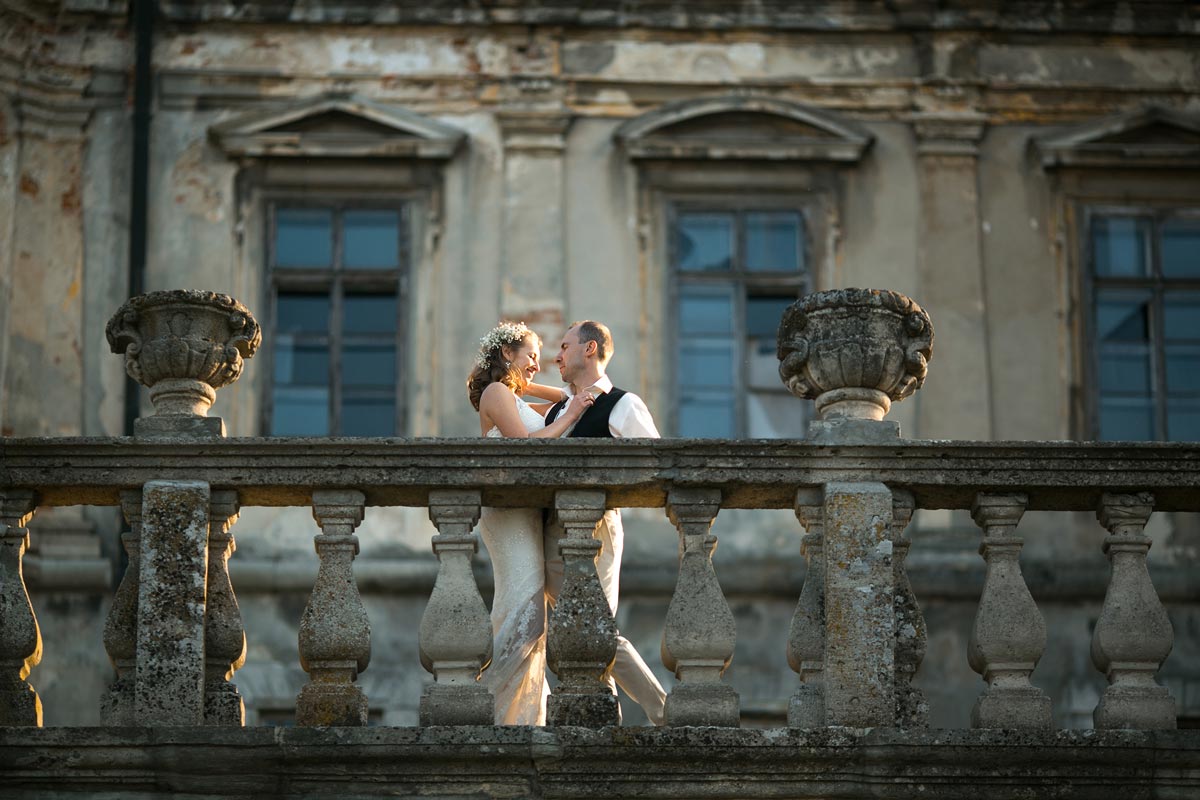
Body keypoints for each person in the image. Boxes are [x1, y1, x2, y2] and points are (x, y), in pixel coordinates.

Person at [467, 320, 594, 725]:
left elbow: (566, 395)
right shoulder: (495, 392)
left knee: (532, 616)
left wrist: (530, 376)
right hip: (506, 516)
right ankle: (487, 708)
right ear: (507, 354)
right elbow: (522, 446)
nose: (538, 365)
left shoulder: (513, 395)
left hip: (527, 514)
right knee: (522, 614)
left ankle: (521, 716)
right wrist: (568, 414)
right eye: (532, 356)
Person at [542, 320, 668, 726]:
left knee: (596, 629)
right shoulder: (560, 409)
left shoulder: (623, 404)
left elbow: (656, 467)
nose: (557, 356)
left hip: (595, 532)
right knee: (577, 633)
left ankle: (664, 711)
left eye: (564, 347)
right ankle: (606, 712)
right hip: (549, 535)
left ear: (589, 349)